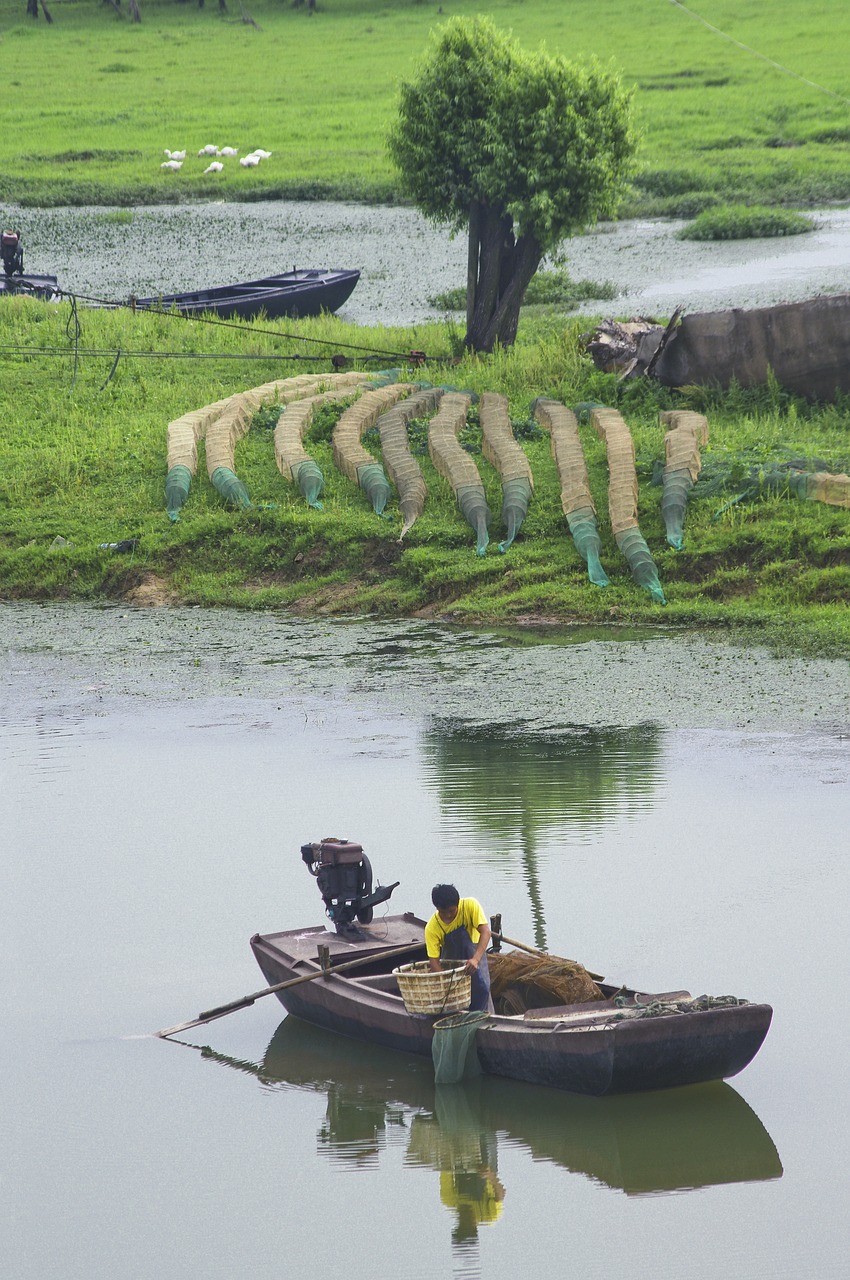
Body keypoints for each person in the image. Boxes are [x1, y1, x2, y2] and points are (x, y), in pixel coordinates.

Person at [425, 884, 493, 1012]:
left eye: (451, 911)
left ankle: (483, 1018)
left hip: (475, 955)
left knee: (482, 988)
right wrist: (446, 984)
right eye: (443, 912)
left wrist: (475, 959)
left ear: (458, 904)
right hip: (452, 963)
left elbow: (485, 932)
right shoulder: (432, 927)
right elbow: (434, 962)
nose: (448, 916)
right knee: (457, 999)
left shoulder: (470, 905)